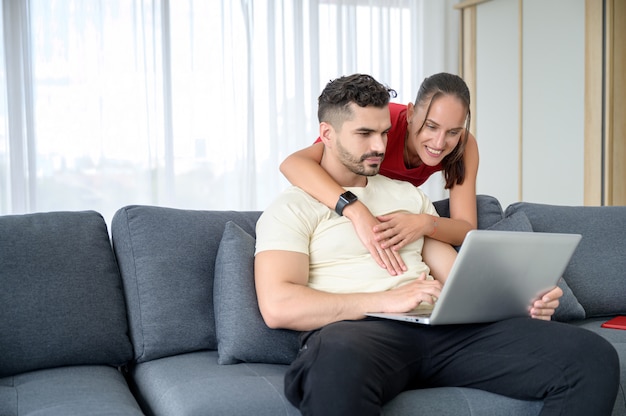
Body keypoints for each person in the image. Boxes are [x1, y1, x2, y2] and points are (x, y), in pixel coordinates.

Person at [254, 74, 619, 416]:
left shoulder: (408, 196)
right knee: (332, 367)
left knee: (591, 356)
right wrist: (386, 301)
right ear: (327, 134)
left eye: (383, 132)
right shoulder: (293, 206)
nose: (380, 146)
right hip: (359, 335)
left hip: (442, 328)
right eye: (364, 133)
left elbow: (455, 271)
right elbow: (278, 306)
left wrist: (520, 300)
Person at [280, 72, 477, 276]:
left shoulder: (462, 147)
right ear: (410, 114)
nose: (439, 142)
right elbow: (293, 164)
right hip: (343, 204)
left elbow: (466, 228)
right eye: (431, 126)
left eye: (453, 131)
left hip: (394, 208)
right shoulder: (381, 125)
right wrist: (356, 211)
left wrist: (425, 222)